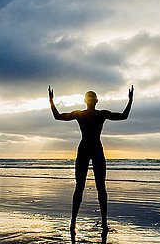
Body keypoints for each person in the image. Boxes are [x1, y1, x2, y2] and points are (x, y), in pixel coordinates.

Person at [49, 85, 134, 234]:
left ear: (85, 101)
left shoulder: (80, 114)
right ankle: (103, 223)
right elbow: (123, 116)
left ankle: (73, 223)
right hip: (96, 149)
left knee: (80, 186)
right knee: (100, 187)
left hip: (84, 149)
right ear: (97, 101)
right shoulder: (101, 114)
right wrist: (130, 101)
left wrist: (51, 101)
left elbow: (58, 116)